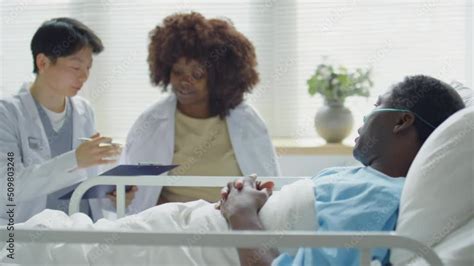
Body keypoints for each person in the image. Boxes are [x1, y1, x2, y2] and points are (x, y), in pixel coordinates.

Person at [218, 75, 466, 265]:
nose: (365, 117)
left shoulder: (377, 196)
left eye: (377, 105)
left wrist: (242, 213)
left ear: (401, 121)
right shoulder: (363, 179)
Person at [120, 12, 280, 214]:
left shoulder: (247, 120)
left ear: (218, 77)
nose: (184, 81)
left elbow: (270, 185)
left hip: (229, 221)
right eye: (177, 72)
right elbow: (132, 194)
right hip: (171, 223)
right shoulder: (151, 121)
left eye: (197, 74)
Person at [0, 17, 122, 224]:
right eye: (76, 67)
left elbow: (88, 182)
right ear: (43, 62)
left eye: (88, 68)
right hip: (29, 233)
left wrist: (113, 195)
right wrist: (75, 159)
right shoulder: (7, 114)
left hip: (80, 230)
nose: (84, 76)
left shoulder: (84, 111)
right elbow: (8, 186)